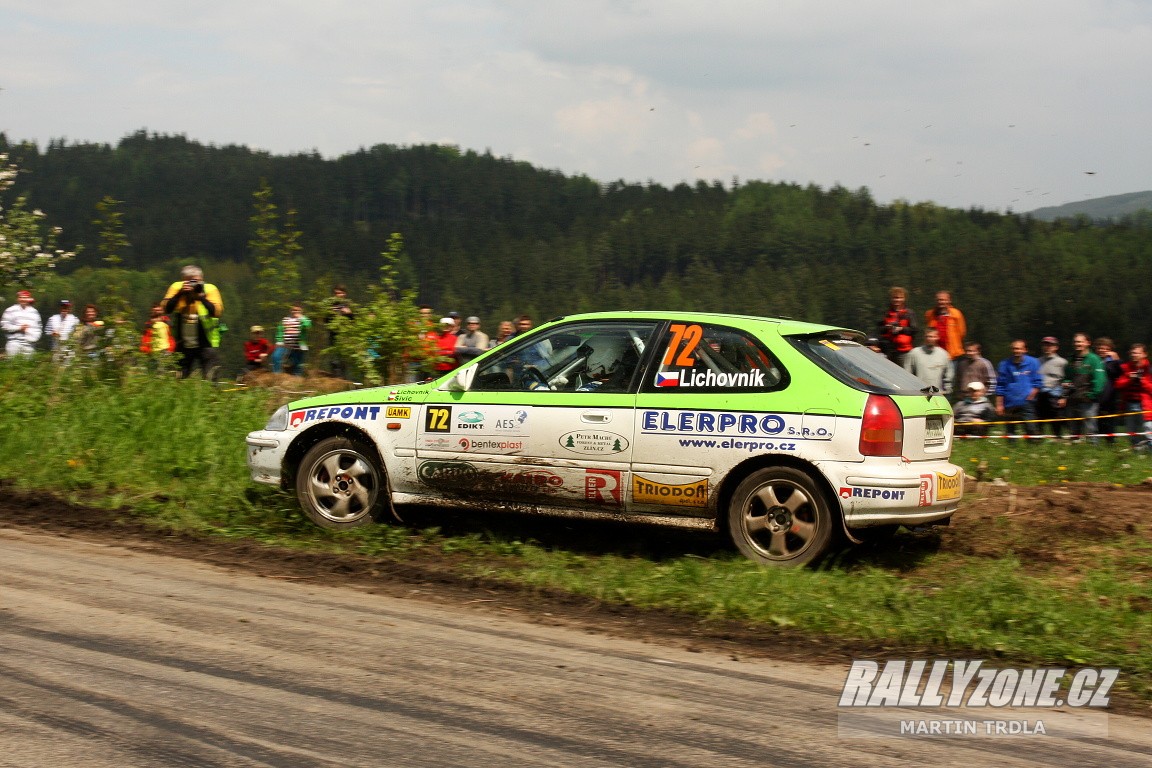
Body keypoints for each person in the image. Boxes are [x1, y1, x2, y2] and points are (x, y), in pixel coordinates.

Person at [162, 265, 224, 380]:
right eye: (189, 281)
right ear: (183, 280)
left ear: (202, 279)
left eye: (196, 281)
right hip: (183, 342)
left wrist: (201, 298)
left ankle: (212, 396)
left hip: (205, 342)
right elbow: (166, 309)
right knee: (179, 378)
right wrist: (180, 293)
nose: (193, 285)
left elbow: (216, 312)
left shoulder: (210, 289)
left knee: (211, 377)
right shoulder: (177, 288)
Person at [1058, 332, 1106, 442]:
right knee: (1073, 430)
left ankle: (1094, 452)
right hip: (1072, 399)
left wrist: (1091, 395)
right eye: (1075, 342)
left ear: (1087, 343)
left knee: (1090, 429)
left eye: (1080, 341)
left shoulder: (1094, 359)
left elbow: (1099, 380)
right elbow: (1067, 377)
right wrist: (1065, 385)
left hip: (1088, 401)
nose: (1077, 344)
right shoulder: (1070, 360)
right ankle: (1076, 453)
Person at [995, 339, 1043, 440]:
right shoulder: (1004, 364)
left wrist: (1032, 395)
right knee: (1010, 431)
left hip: (1027, 402)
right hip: (1009, 401)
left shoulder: (1033, 362)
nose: (1016, 351)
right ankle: (1011, 451)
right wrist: (999, 404)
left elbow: (1038, 382)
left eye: (1019, 349)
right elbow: (1000, 385)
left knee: (1031, 429)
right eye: (1014, 349)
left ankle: (1034, 448)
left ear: (1025, 350)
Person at [1114, 343, 1152, 450]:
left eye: (1137, 353)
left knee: (1147, 429)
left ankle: (1149, 452)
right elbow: (1118, 385)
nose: (1134, 355)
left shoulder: (1149, 369)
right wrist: (1129, 379)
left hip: (1146, 405)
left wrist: (1142, 380)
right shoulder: (1126, 368)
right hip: (1129, 404)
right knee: (1131, 430)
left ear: (1144, 354)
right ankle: (1137, 451)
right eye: (1133, 353)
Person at [1035, 336, 1068, 437]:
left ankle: (1058, 439)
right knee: (1038, 420)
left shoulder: (1063, 362)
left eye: (1050, 345)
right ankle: (1037, 442)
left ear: (1056, 347)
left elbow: (1067, 381)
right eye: (1045, 345)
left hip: (1055, 395)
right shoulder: (1036, 362)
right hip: (1039, 395)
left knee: (1056, 420)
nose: (1047, 347)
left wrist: (1064, 397)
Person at [903, 328, 952, 395]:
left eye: (933, 337)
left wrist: (946, 390)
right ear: (925, 337)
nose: (930, 339)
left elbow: (948, 374)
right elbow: (907, 374)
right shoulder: (914, 353)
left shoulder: (944, 354)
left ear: (937, 337)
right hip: (919, 394)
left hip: (937, 394)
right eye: (928, 336)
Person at [877, 286, 916, 365]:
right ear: (891, 299)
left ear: (904, 299)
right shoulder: (886, 313)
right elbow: (879, 329)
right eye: (894, 298)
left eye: (899, 298)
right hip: (888, 350)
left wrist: (901, 329)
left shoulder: (909, 313)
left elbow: (914, 330)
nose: (897, 300)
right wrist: (887, 327)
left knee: (904, 373)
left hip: (904, 351)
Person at [923, 291, 967, 361]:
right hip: (934, 353)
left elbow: (962, 332)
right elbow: (928, 331)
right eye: (938, 300)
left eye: (943, 300)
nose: (940, 302)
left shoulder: (956, 314)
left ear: (949, 301)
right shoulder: (930, 314)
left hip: (952, 355)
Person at [1095, 336, 1123, 442]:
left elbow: (1122, 373)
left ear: (1110, 349)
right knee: (1098, 421)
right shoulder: (1094, 361)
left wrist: (1118, 360)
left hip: (1111, 395)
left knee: (1111, 421)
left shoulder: (1114, 361)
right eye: (1100, 348)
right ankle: (1097, 445)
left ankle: (1111, 443)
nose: (1102, 350)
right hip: (1097, 395)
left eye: (1105, 348)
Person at [272, 304, 312, 375]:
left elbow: (308, 326)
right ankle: (277, 374)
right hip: (285, 344)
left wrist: (302, 318)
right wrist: (279, 340)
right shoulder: (285, 319)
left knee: (297, 362)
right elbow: (280, 330)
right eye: (294, 310)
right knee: (276, 356)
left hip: (298, 345)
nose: (295, 311)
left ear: (301, 311)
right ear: (290, 310)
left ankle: (297, 377)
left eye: (297, 310)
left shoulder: (304, 319)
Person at [2, 289, 42, 358]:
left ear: (28, 299)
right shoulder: (10, 310)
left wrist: (35, 338)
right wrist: (19, 328)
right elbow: (4, 325)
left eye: (25, 297)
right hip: (14, 342)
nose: (23, 299)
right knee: (12, 364)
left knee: (28, 366)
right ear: (18, 299)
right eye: (21, 297)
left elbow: (39, 328)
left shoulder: (34, 312)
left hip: (29, 344)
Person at [326, 285, 354, 377]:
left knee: (343, 357)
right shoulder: (330, 306)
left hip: (344, 334)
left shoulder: (348, 305)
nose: (338, 295)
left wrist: (349, 314)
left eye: (340, 293)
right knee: (333, 355)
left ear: (344, 294)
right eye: (336, 293)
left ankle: (343, 377)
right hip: (333, 333)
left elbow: (354, 322)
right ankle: (335, 376)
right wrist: (331, 314)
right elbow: (325, 321)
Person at [139, 302, 175, 369]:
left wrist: (170, 350)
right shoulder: (148, 324)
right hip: (153, 352)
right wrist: (145, 350)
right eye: (155, 311)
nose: (156, 312)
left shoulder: (166, 321)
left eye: (158, 310)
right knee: (153, 371)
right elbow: (145, 339)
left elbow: (171, 336)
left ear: (162, 311)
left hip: (165, 350)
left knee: (163, 371)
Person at [44, 299, 80, 364]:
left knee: (68, 368)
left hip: (69, 348)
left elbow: (78, 332)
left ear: (69, 308)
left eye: (66, 307)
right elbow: (47, 331)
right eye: (63, 307)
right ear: (60, 308)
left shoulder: (74, 319)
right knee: (56, 367)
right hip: (56, 347)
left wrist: (75, 336)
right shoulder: (53, 318)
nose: (64, 309)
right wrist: (53, 333)